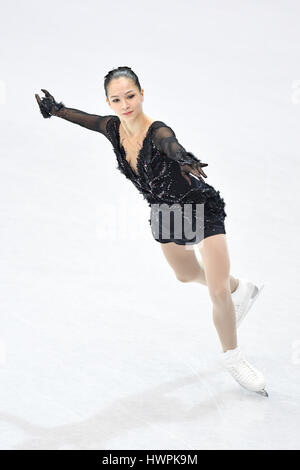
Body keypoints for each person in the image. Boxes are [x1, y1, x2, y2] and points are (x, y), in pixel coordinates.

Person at [35, 66, 267, 397]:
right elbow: (88, 120)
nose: (125, 103)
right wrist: (57, 110)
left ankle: (233, 356)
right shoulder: (113, 128)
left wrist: (183, 157)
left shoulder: (157, 131)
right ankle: (239, 289)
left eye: (130, 95)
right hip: (165, 210)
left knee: (215, 293)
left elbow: (170, 143)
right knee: (186, 275)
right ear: (109, 102)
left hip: (199, 207)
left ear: (142, 94)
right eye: (117, 99)